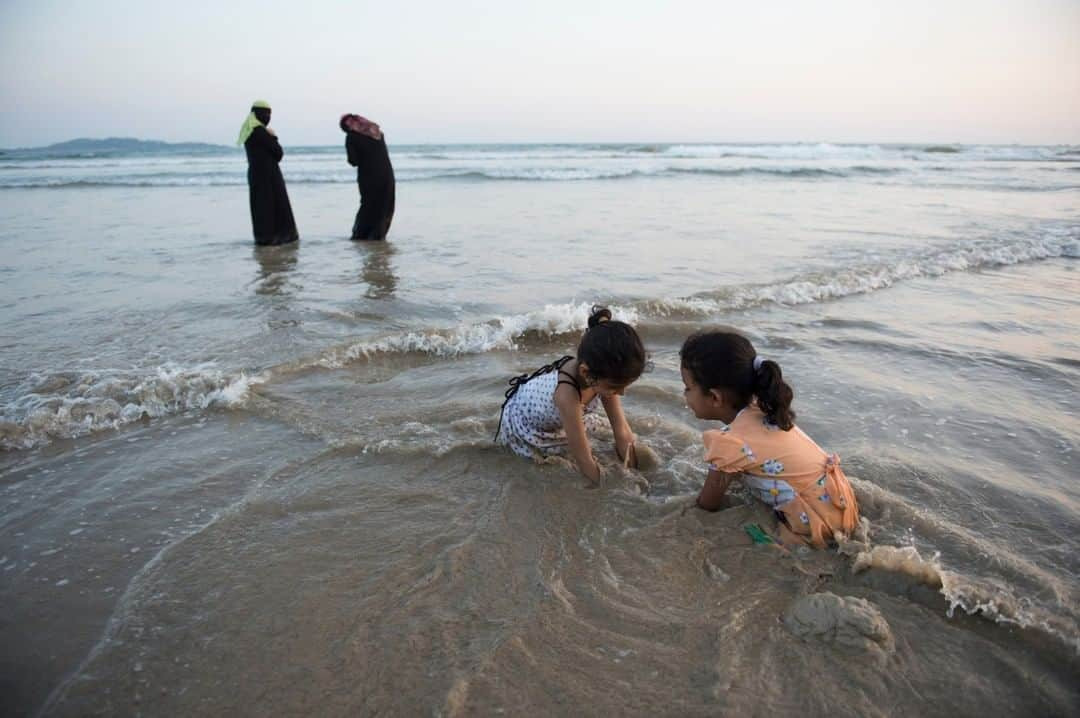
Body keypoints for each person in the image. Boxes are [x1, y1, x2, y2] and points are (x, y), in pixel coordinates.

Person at [679, 330, 860, 548]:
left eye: (688, 388)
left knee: (743, 531)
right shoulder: (767, 410)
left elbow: (707, 504)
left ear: (715, 397)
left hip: (814, 523)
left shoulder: (729, 443)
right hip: (841, 501)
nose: (684, 395)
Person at [495, 306, 646, 483]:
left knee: (605, 433)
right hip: (527, 425)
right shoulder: (568, 394)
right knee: (557, 461)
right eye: (617, 387)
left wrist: (637, 474)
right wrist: (605, 488)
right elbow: (584, 459)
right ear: (585, 373)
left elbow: (621, 430)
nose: (621, 392)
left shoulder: (605, 374)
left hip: (563, 414)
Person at [238, 100, 298, 245]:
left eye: (270, 113)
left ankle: (263, 238)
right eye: (266, 113)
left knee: (261, 206)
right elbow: (278, 153)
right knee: (275, 205)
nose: (268, 117)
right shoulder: (259, 131)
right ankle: (279, 238)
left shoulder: (249, 130)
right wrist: (273, 136)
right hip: (269, 175)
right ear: (257, 114)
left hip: (256, 174)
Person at [340, 113, 395, 240]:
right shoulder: (377, 132)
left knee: (368, 205)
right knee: (385, 204)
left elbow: (353, 161)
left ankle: (361, 236)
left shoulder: (351, 137)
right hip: (386, 174)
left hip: (368, 176)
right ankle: (377, 236)